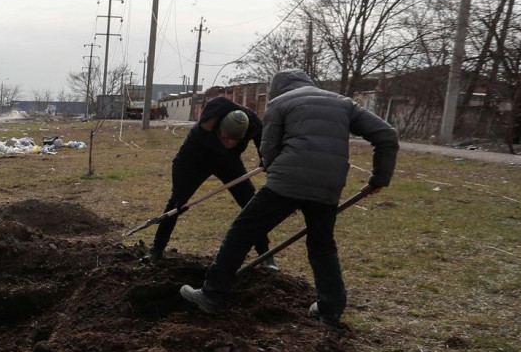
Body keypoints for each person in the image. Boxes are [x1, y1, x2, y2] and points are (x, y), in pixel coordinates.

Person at [180, 69, 398, 328]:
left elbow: (269, 149)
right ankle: (330, 310)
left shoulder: (279, 103)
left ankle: (211, 295)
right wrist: (379, 178)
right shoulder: (344, 103)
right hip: (329, 185)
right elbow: (387, 135)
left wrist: (282, 188)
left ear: (276, 90)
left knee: (242, 231)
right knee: (322, 246)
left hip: (287, 180)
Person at [145, 96, 276, 269]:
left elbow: (265, 147)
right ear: (219, 128)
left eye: (234, 140)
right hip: (194, 160)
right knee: (176, 203)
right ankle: (156, 249)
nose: (229, 143)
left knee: (250, 203)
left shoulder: (253, 124)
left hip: (228, 162)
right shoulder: (208, 121)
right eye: (226, 138)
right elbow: (182, 163)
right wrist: (180, 190)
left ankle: (266, 256)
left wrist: (266, 160)